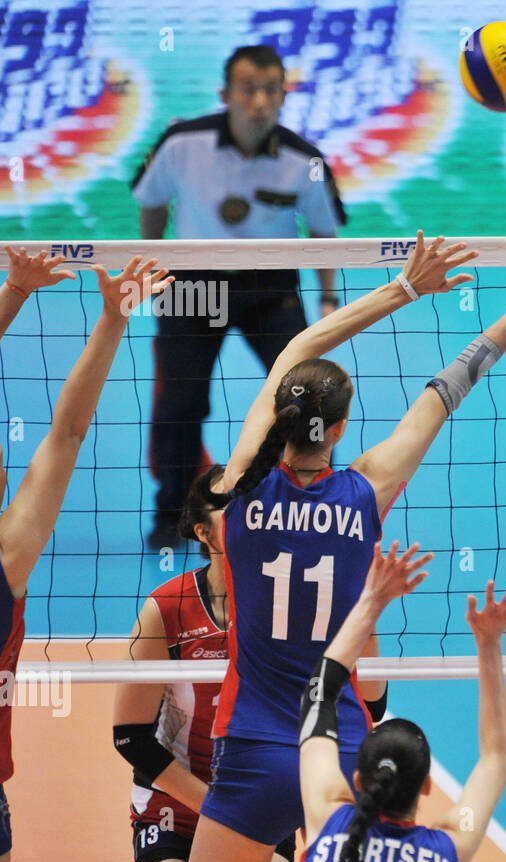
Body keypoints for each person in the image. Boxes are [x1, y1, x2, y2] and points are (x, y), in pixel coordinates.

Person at [186, 234, 506, 862]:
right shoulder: (366, 491)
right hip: (341, 742)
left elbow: (296, 350)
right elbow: (450, 387)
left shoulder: (236, 493)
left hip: (253, 746)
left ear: (281, 419)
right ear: (339, 428)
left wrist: (405, 286)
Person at [0, 251, 170, 862]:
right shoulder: (1, 562)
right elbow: (67, 432)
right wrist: (113, 317)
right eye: (4, 468)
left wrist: (12, 291)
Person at [132, 44, 347, 549]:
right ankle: (175, 516)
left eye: (270, 89)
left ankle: (317, 500)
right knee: (180, 402)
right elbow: (151, 201)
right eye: (247, 89)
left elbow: (323, 232)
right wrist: (152, 263)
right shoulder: (182, 143)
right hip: (193, 283)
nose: (259, 100)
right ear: (225, 94)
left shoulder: (305, 160)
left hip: (269, 288)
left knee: (309, 396)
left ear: (283, 94)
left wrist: (329, 302)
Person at [112, 466, 372, 862]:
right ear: (203, 532)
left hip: (261, 800)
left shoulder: (294, 606)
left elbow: (370, 707)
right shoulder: (165, 610)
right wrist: (219, 807)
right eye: (229, 505)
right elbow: (131, 737)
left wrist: (365, 606)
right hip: (176, 810)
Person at [299, 541, 506, 862]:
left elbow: (318, 695)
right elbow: (496, 756)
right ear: (426, 786)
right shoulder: (445, 850)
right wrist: (488, 644)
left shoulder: (327, 816)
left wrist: (373, 600)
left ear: (357, 781)